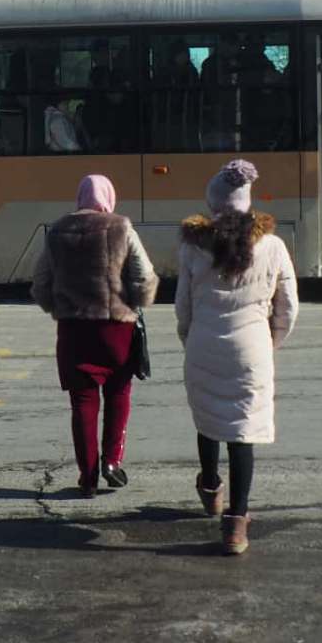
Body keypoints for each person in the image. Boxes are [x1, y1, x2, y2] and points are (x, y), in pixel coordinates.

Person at [175, 158, 298, 556]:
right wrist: (270, 340)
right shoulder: (273, 246)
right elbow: (288, 306)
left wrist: (190, 339)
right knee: (242, 432)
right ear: (248, 202)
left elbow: (183, 307)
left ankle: (210, 488)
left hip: (203, 343)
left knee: (209, 420)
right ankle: (235, 526)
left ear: (214, 204)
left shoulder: (194, 247)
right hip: (252, 349)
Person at [31, 173, 159, 497]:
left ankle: (87, 477)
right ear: (108, 197)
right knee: (119, 393)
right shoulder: (121, 227)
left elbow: (41, 282)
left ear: (79, 198)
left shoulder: (57, 231)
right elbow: (144, 275)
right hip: (116, 328)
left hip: (74, 331)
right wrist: (136, 303)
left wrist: (56, 307)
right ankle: (112, 462)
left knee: (83, 402)